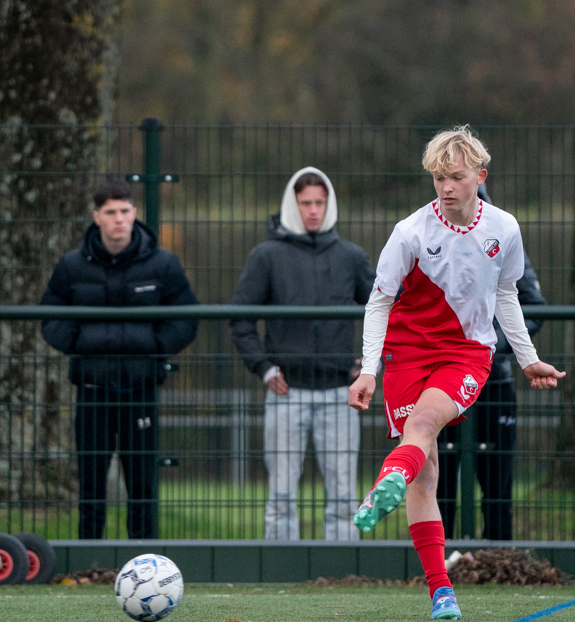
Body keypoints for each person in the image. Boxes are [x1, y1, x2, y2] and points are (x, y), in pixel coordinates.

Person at [349, 126, 565, 620]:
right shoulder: (410, 233)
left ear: (479, 178)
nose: (446, 188)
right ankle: (441, 592)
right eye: (438, 179)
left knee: (423, 425)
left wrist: (528, 358)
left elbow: (508, 295)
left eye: (455, 178)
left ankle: (385, 481)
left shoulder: (505, 229)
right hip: (406, 353)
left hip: (467, 353)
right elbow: (379, 302)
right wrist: (368, 371)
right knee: (425, 475)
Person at [41, 180, 199, 540]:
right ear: (97, 217)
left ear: (134, 214)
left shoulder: (163, 263)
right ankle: (89, 557)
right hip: (92, 388)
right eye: (110, 212)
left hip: (141, 387)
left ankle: (145, 559)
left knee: (142, 482)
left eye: (125, 211)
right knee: (91, 480)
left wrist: (156, 346)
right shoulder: (71, 265)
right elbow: (50, 315)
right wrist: (79, 343)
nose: (118, 219)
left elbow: (187, 316)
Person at [231, 167, 375, 541]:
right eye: (306, 203)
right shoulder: (266, 257)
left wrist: (369, 363)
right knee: (280, 494)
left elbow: (383, 311)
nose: (313, 210)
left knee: (345, 496)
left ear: (329, 204)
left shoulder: (351, 256)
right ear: (292, 205)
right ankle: (282, 571)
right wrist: (263, 368)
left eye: (320, 202)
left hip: (339, 393)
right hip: (286, 392)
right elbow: (239, 319)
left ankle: (344, 572)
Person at [435, 182, 546, 541]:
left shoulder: (504, 234)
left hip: (493, 380)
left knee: (497, 479)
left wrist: (489, 345)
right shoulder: (425, 235)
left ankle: (498, 558)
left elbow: (533, 307)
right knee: (440, 477)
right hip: (444, 382)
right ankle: (441, 560)